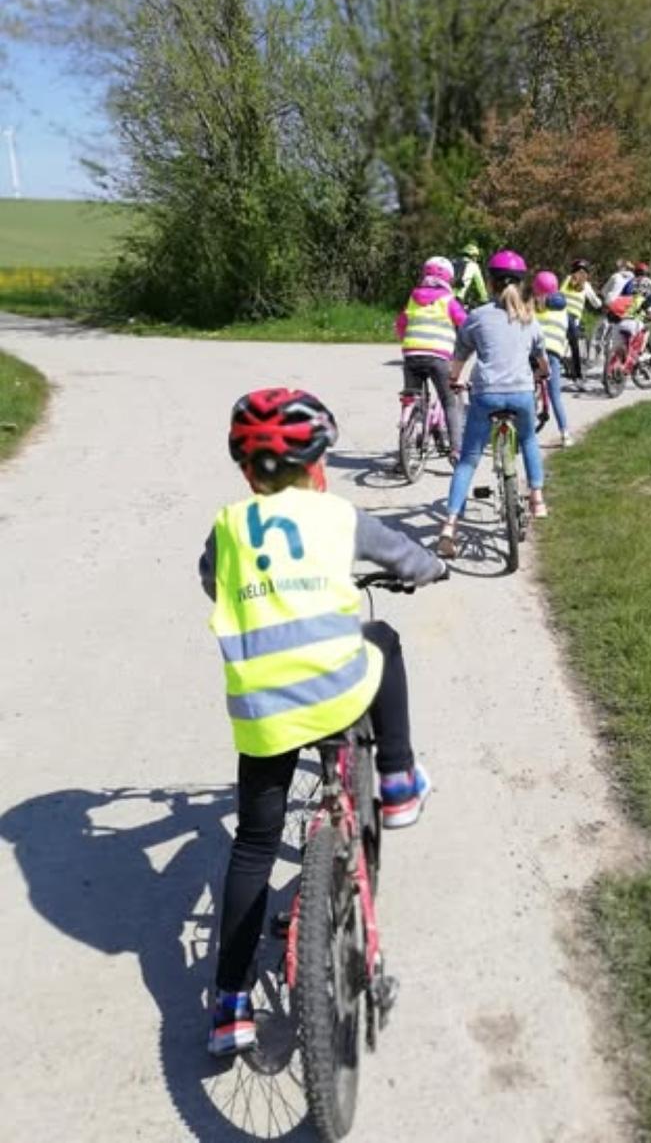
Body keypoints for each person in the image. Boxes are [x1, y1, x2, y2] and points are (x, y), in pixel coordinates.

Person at [200, 388, 446, 1057]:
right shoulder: (339, 516)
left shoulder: (227, 526)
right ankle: (397, 780)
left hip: (263, 715)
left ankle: (229, 1005)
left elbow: (210, 581)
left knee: (254, 846)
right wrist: (432, 568)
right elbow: (406, 557)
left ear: (246, 473)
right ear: (317, 466)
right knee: (383, 640)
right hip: (339, 692)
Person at [438, 250, 549, 558]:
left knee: (468, 460)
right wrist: (541, 373)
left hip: (486, 394)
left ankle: (449, 526)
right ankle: (537, 498)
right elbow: (542, 362)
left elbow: (459, 359)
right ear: (521, 283)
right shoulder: (529, 318)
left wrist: (454, 380)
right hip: (521, 394)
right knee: (528, 439)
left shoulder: (476, 317)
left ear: (490, 282)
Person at [396, 256, 467, 460]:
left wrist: (406, 340)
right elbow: (464, 323)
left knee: (411, 397)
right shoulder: (448, 300)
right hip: (438, 356)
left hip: (412, 354)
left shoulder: (413, 297)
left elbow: (401, 323)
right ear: (449, 278)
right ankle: (456, 449)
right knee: (449, 401)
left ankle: (406, 443)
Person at [532, 270, 574, 448]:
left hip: (534, 353)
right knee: (555, 395)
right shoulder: (564, 311)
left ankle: (524, 429)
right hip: (554, 354)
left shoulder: (533, 308)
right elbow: (571, 334)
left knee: (526, 388)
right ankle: (565, 434)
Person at [560, 259, 601, 390]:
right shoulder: (586, 285)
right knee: (575, 347)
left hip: (558, 315)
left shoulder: (566, 279)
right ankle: (578, 377)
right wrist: (601, 304)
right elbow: (596, 303)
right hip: (571, 318)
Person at [609, 275, 651, 348]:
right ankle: (640, 352)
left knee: (618, 351)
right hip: (632, 325)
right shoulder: (640, 300)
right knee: (645, 331)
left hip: (616, 325)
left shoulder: (624, 298)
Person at [452, 242, 488, 307]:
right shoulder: (473, 266)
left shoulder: (453, 262)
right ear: (473, 256)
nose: (476, 258)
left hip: (443, 295)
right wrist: (484, 299)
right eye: (476, 256)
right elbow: (480, 285)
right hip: (456, 299)